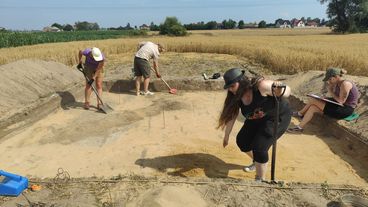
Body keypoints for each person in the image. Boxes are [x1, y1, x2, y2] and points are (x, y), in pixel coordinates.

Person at [218, 68, 291, 182]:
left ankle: (260, 180)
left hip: (276, 117)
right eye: (229, 87)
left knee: (260, 147)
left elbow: (287, 91)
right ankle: (257, 162)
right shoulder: (236, 96)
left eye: (232, 86)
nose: (231, 90)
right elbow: (232, 116)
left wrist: (280, 90)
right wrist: (226, 135)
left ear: (241, 81)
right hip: (257, 118)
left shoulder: (261, 86)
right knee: (242, 141)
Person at [288, 67, 360, 133]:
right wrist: (326, 98)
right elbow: (337, 99)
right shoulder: (338, 83)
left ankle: (300, 114)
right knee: (313, 107)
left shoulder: (345, 84)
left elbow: (341, 101)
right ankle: (299, 127)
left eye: (330, 79)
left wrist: (331, 91)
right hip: (340, 106)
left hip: (345, 110)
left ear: (336, 77)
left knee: (313, 100)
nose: (329, 81)